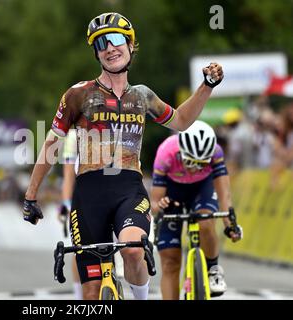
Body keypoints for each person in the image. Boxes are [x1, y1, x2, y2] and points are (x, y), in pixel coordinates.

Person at [22, 12, 224, 300]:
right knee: (91, 293)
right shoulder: (78, 94)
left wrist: (206, 87)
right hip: (89, 193)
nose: (109, 47)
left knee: (132, 250)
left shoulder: (142, 96)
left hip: (128, 189)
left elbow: (180, 121)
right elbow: (52, 145)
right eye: (101, 43)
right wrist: (31, 195)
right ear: (96, 53)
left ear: (131, 45)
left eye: (117, 40)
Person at [150, 120, 243, 300]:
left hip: (202, 189)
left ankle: (213, 269)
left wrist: (230, 225)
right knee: (170, 261)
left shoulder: (216, 152)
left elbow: (224, 195)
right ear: (181, 152)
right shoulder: (166, 152)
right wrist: (160, 205)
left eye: (202, 164)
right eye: (191, 162)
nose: (195, 168)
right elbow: (155, 200)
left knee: (206, 223)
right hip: (172, 193)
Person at [57, 129, 82, 300]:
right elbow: (68, 175)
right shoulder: (74, 136)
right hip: (83, 195)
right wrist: (66, 203)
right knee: (80, 249)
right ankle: (80, 296)